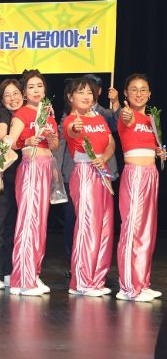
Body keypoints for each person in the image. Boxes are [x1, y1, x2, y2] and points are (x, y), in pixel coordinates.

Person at [55, 73, 119, 270]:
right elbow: (71, 131)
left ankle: (97, 276)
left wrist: (104, 158)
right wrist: (75, 127)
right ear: (70, 97)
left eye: (89, 92)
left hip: (103, 172)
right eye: (80, 92)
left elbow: (110, 142)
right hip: (84, 173)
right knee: (87, 222)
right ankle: (83, 277)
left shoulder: (99, 117)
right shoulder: (70, 119)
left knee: (104, 224)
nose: (86, 96)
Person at [7, 69, 59, 296]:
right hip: (31, 167)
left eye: (39, 86)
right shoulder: (22, 113)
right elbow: (11, 142)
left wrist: (51, 139)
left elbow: (55, 145)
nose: (36, 90)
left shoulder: (48, 113)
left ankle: (33, 274)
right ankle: (22, 279)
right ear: (24, 93)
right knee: (28, 222)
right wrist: (25, 140)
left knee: (39, 223)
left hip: (46, 167)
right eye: (31, 87)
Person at [116, 73, 165, 301]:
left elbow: (152, 146)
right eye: (134, 89)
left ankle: (142, 283)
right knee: (132, 229)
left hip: (151, 174)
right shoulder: (126, 114)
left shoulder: (152, 120)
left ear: (149, 94)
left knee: (147, 231)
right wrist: (123, 111)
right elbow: (125, 117)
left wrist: (160, 151)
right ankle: (128, 287)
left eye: (143, 89)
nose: (139, 93)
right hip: (135, 175)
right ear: (126, 93)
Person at [0, 79, 24, 289]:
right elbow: (2, 130)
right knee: (1, 225)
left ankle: (10, 271)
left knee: (15, 224)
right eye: (7, 95)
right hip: (6, 175)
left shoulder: (29, 114)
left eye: (16, 93)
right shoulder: (3, 114)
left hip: (25, 175)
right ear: (1, 100)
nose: (12, 98)